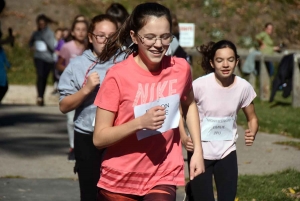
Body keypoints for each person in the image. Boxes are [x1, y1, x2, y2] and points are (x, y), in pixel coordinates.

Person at [93, 2, 205, 200]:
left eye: (165, 37)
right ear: (135, 37)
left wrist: (197, 150)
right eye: (150, 37)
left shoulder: (180, 68)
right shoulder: (117, 75)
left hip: (163, 172)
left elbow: (189, 104)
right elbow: (99, 138)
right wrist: (139, 123)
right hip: (120, 178)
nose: (159, 44)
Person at [181, 40, 259, 201]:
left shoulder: (243, 87)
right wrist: (183, 136)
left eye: (230, 60)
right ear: (212, 62)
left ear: (237, 61)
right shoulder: (199, 85)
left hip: (227, 150)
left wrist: (253, 131)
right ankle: (192, 193)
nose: (225, 64)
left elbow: (252, 117)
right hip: (199, 151)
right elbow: (181, 111)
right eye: (219, 60)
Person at [58, 14, 120, 201]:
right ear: (91, 37)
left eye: (112, 36)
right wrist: (86, 90)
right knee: (90, 192)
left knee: (118, 193)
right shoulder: (78, 65)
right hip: (87, 136)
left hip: (119, 135)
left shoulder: (126, 61)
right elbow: (64, 105)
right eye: (101, 36)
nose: (106, 41)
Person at [56, 19, 88, 161]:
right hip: (72, 87)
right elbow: (59, 64)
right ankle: (72, 146)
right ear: (73, 32)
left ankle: (85, 146)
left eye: (83, 29)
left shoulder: (90, 47)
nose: (81, 32)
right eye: (78, 29)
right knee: (71, 119)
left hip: (88, 87)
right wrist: (71, 71)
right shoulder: (67, 47)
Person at [29, 14, 56, 106]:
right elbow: (31, 42)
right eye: (39, 24)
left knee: (44, 77)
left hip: (48, 58)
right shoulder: (36, 33)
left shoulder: (50, 33)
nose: (41, 26)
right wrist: (31, 47)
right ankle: (39, 96)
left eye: (43, 24)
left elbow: (53, 46)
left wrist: (45, 39)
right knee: (40, 76)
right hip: (38, 57)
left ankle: (42, 95)